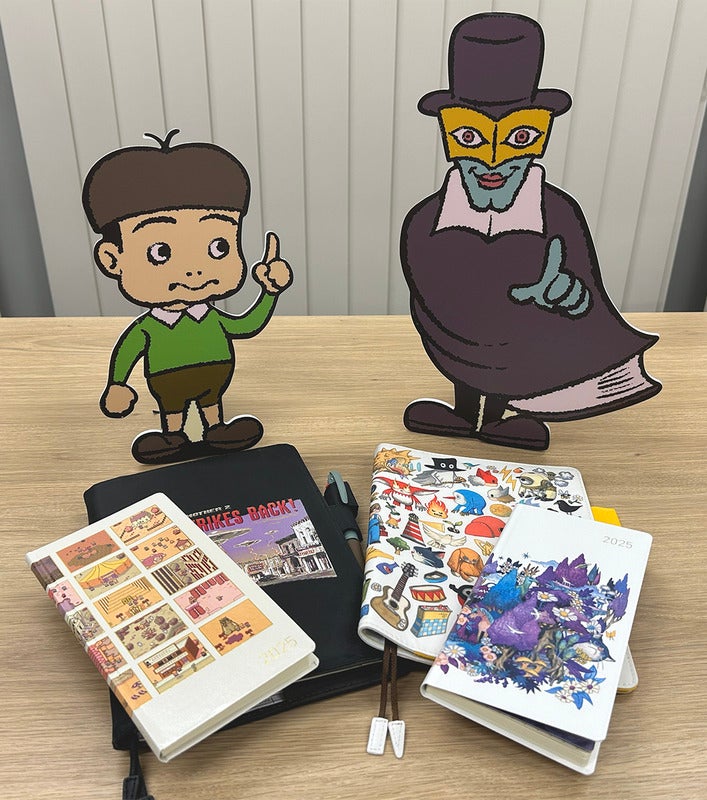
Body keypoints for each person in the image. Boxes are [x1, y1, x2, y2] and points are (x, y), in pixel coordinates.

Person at [400, 13, 660, 451]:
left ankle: (501, 417)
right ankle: (464, 414)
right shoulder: (427, 220)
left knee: (521, 359)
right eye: (470, 137)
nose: (493, 160)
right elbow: (423, 282)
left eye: (519, 137)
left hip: (524, 354)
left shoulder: (557, 214)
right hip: (457, 345)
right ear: (448, 132)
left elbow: (586, 295)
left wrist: (568, 295)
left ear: (542, 132)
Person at [82, 129, 292, 463]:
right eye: (160, 252)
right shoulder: (149, 328)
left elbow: (247, 325)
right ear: (112, 259)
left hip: (214, 375)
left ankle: (215, 429)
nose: (194, 270)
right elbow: (128, 349)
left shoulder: (212, 318)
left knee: (210, 403)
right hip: (167, 380)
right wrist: (117, 384)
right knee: (172, 408)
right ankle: (172, 436)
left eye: (218, 246)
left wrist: (269, 291)